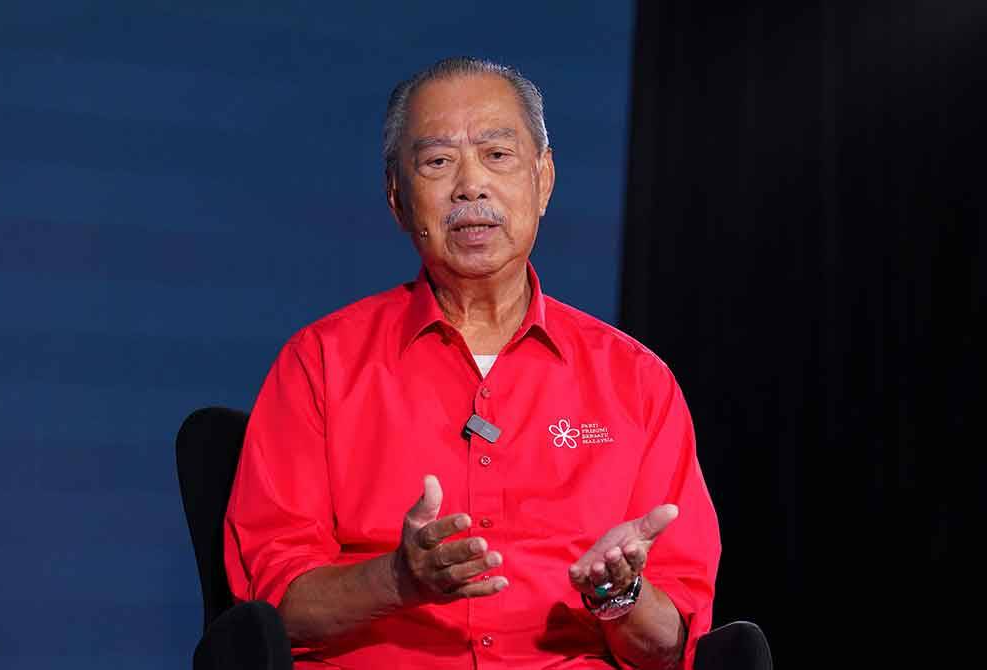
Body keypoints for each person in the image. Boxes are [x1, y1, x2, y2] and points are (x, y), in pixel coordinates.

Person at [224, 57, 720, 670]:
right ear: (397, 199)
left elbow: (672, 645)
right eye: (438, 162)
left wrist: (619, 595)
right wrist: (397, 579)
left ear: (544, 180)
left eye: (497, 155)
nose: (470, 186)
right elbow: (271, 610)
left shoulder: (637, 381)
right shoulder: (320, 364)